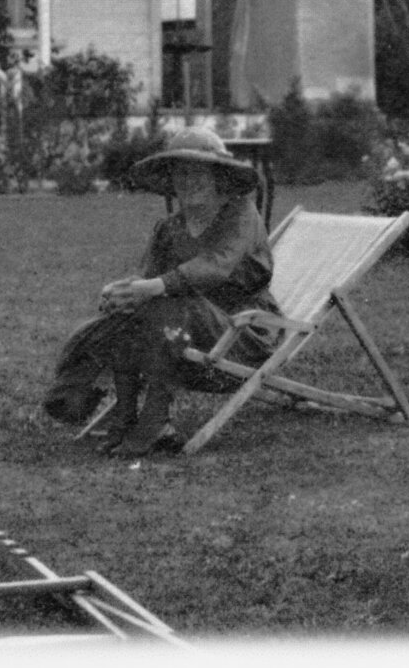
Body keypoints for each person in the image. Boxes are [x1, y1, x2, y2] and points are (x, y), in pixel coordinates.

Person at [40, 129, 278, 458]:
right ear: (170, 178)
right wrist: (123, 290)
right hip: (186, 339)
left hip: (241, 337)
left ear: (217, 176)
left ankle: (155, 421)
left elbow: (215, 266)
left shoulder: (240, 215)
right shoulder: (170, 228)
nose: (189, 180)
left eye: (199, 171)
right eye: (180, 171)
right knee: (132, 312)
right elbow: (147, 277)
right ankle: (124, 415)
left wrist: (151, 288)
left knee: (169, 305)